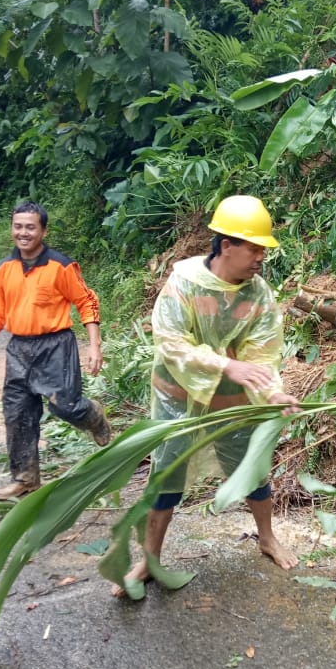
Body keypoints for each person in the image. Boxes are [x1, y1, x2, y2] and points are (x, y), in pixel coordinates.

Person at [115, 194, 300, 597]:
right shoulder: (183, 284)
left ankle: (267, 537)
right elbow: (170, 342)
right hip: (176, 399)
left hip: (231, 403)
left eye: (263, 250)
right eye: (253, 248)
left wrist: (274, 393)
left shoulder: (259, 294)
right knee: (166, 478)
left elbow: (263, 353)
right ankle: (149, 558)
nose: (260, 258)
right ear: (226, 245)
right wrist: (225, 365)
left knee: (251, 471)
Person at [0, 201, 111, 499]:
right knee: (17, 412)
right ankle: (25, 478)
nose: (23, 232)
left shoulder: (61, 266)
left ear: (43, 231)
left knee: (66, 406)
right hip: (19, 348)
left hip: (55, 345)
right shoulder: (3, 269)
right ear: (12, 229)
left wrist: (94, 345)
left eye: (30, 227)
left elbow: (87, 301)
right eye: (18, 226)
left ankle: (94, 416)